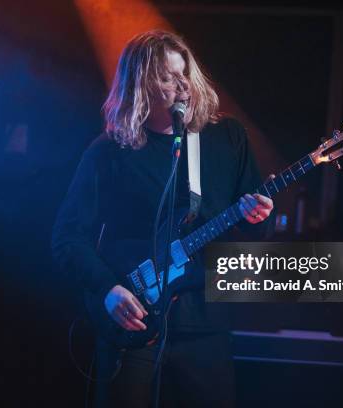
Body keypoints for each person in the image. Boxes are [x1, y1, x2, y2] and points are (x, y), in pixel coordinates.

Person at [52, 30, 274, 407]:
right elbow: (68, 238)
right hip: (133, 322)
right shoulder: (110, 152)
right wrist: (109, 290)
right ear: (140, 83)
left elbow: (254, 227)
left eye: (184, 72)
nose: (183, 84)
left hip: (206, 326)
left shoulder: (226, 138)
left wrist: (260, 215)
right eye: (168, 76)